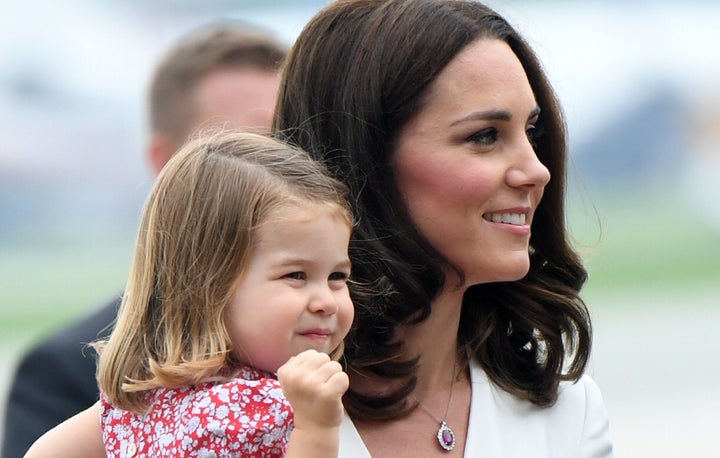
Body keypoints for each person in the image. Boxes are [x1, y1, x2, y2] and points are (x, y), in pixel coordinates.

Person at [271, 0, 615, 456]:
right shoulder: (228, 415)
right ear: (366, 160)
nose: (537, 170)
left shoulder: (566, 414)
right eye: (485, 136)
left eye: (532, 133)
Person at [2, 21, 288, 458]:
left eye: (294, 142)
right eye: (241, 151)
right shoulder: (69, 371)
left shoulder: (365, 337)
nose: (282, 170)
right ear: (166, 164)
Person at [24, 131, 355, 457]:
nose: (326, 301)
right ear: (209, 282)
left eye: (337, 277)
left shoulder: (150, 398)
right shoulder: (148, 399)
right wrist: (316, 430)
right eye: (296, 275)